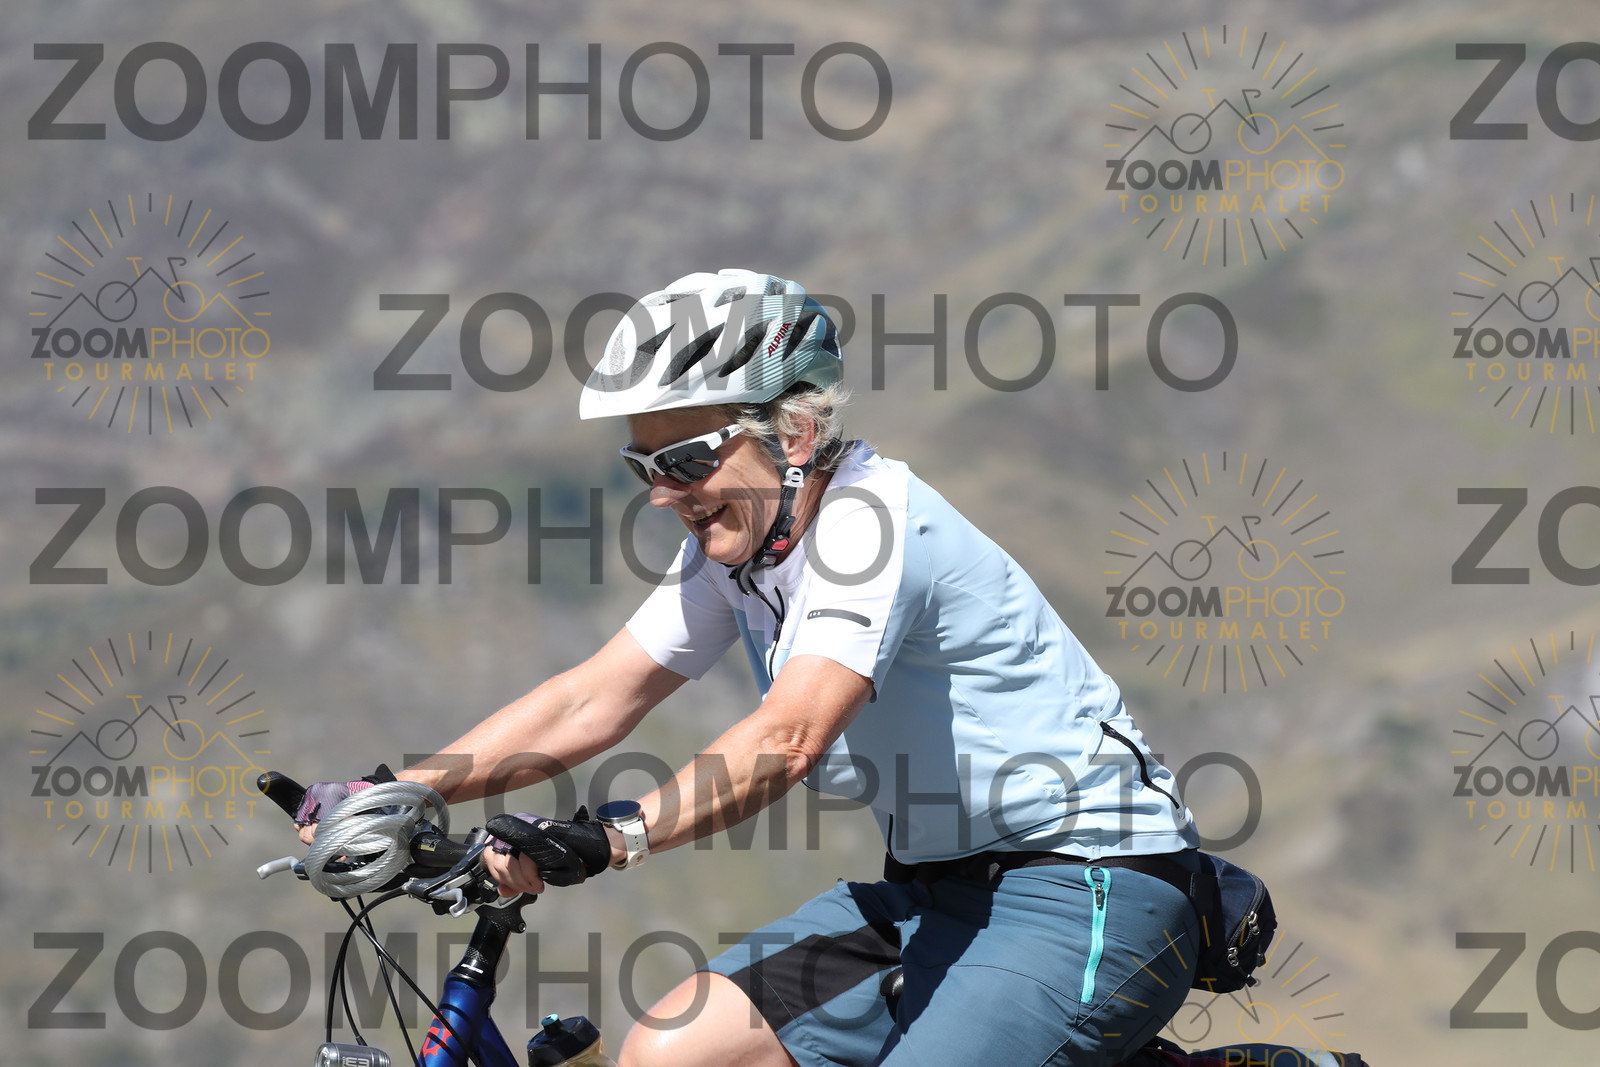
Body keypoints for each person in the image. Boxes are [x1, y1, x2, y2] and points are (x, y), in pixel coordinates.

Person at [295, 268, 1203, 1067]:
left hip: (1090, 887)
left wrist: (613, 836)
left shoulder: (870, 526)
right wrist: (401, 793)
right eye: (643, 465)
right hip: (933, 890)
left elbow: (789, 737)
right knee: (669, 1049)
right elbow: (593, 697)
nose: (662, 493)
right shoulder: (740, 546)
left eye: (687, 460)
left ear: (794, 433)